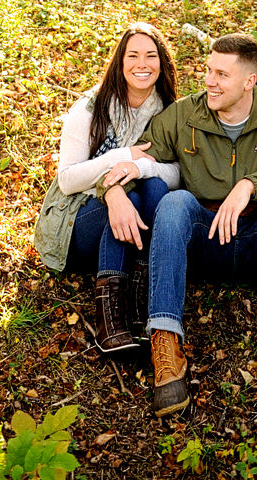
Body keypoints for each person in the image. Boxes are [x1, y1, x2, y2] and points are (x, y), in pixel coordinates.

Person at [102, 31, 257, 417]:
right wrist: (113, 192)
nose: (209, 82)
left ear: (249, 81)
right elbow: (136, 161)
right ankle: (165, 342)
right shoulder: (185, 115)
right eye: (208, 71)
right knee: (176, 202)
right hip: (206, 243)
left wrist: (252, 184)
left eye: (221, 75)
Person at [34, 23, 180, 355]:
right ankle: (109, 326)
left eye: (150, 56)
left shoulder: (170, 113)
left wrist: (137, 167)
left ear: (162, 62)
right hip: (75, 224)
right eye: (133, 56)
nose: (141, 64)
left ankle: (144, 305)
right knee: (132, 193)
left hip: (136, 214)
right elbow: (67, 180)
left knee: (154, 185)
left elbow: (177, 173)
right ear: (120, 61)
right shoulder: (90, 108)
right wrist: (119, 168)